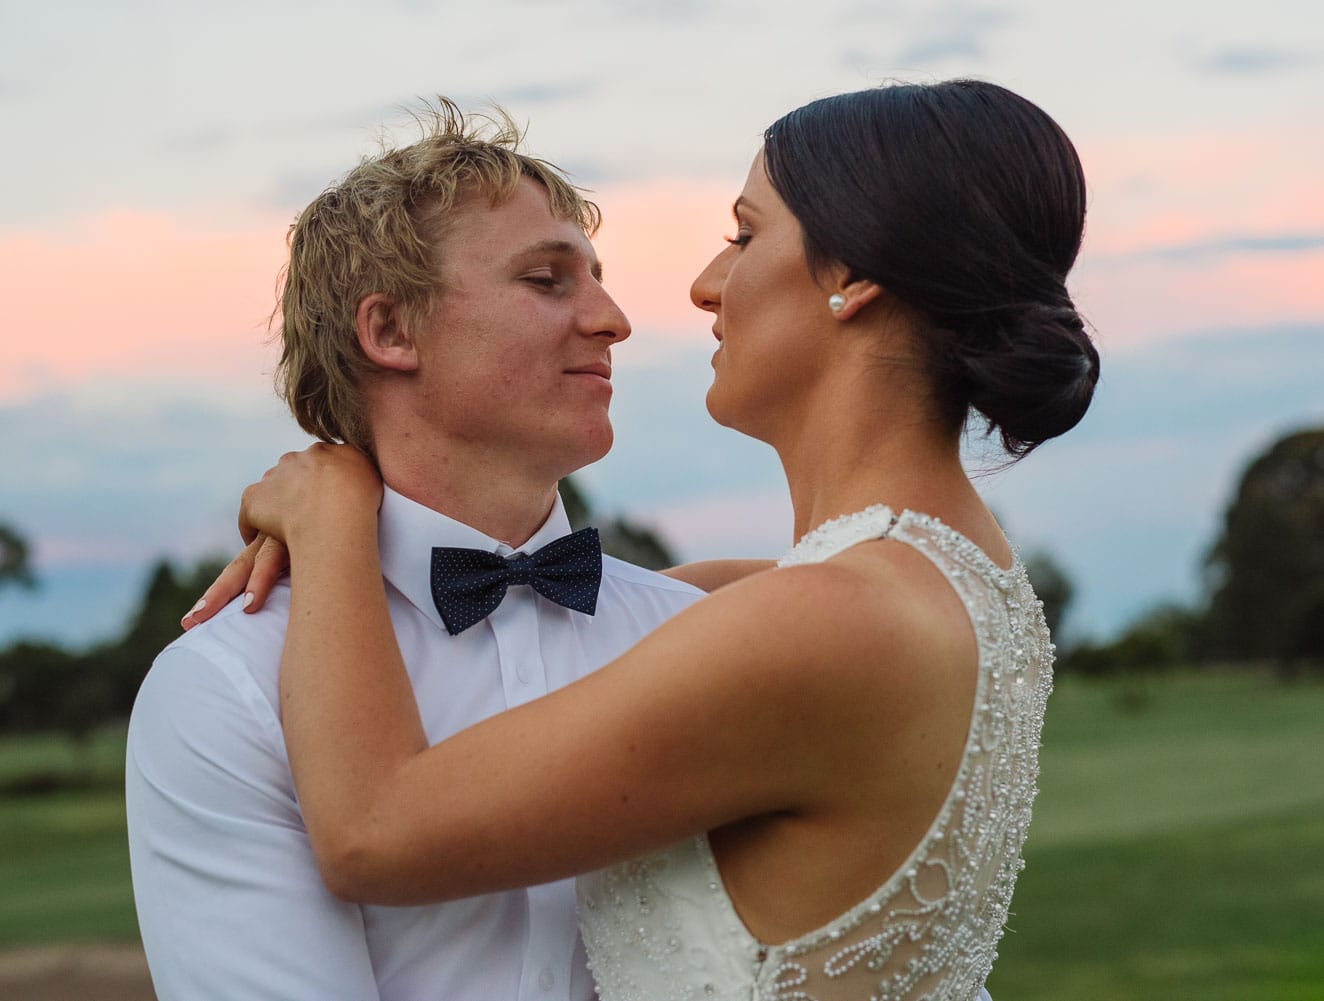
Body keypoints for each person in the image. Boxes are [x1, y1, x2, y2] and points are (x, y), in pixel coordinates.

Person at [200, 79, 1098, 1001]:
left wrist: (333, 518)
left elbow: (372, 831)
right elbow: (647, 612)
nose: (707, 283)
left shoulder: (823, 619)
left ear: (852, 275)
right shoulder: (942, 582)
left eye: (745, 235)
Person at [125, 101, 725, 1000]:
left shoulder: (701, 642)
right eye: (548, 280)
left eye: (595, 278)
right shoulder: (225, 689)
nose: (613, 319)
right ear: (391, 331)